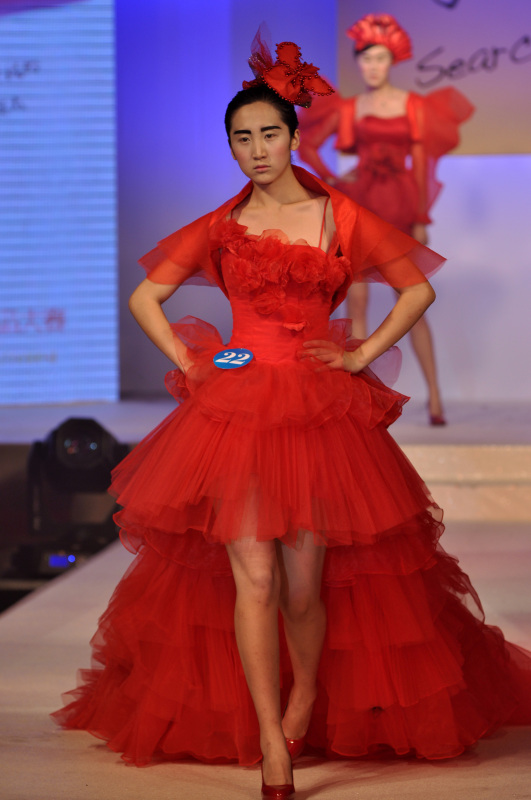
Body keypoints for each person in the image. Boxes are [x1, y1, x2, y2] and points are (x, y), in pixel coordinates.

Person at [52, 33, 531, 800]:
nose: (255, 150)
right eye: (241, 138)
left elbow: (416, 289)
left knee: (303, 588)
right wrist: (191, 361)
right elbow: (146, 297)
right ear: (230, 147)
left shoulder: (337, 216)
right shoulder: (219, 225)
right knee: (253, 578)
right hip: (235, 413)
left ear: (292, 135)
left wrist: (359, 352)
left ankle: (303, 697)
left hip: (315, 416)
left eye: (267, 133)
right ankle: (272, 742)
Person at [298, 13, 475, 425]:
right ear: (359, 63)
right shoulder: (350, 108)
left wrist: (420, 216)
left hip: (397, 205)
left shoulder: (413, 105)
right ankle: (360, 398)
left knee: (410, 299)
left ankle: (434, 397)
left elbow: (422, 163)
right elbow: (307, 144)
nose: (373, 66)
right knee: (357, 298)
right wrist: (331, 178)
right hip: (361, 204)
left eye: (380, 58)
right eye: (366, 59)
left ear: (391, 61)